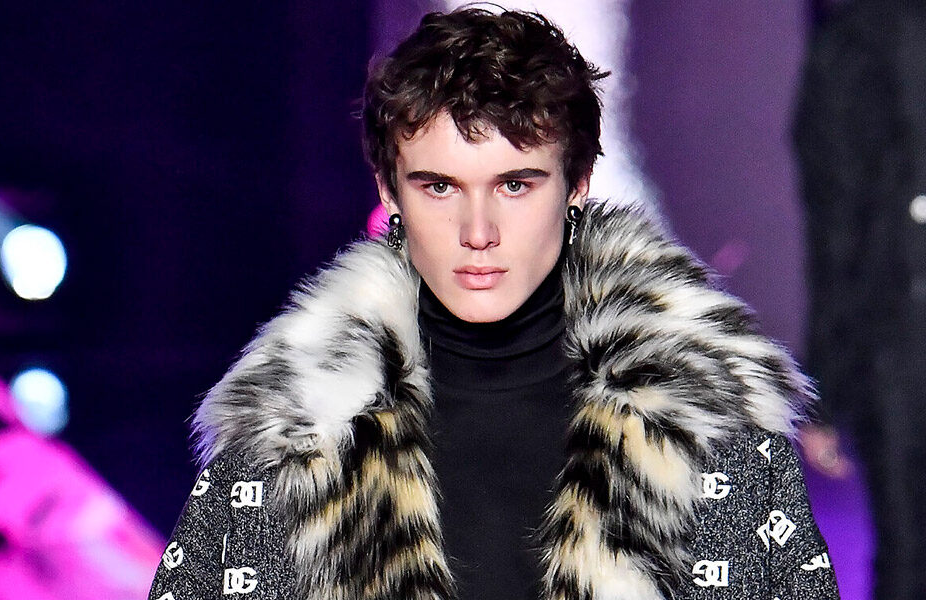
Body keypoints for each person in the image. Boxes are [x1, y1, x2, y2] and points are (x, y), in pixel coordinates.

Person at [149, 8, 839, 599]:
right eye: (439, 187)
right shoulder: (292, 438)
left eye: (515, 185)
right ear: (389, 193)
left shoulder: (707, 429)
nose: (477, 232)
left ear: (577, 186)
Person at [794, 1, 926, 598]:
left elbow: (841, 234)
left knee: (907, 549)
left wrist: (824, 391)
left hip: (897, 336)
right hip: (896, 322)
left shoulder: (850, 48)